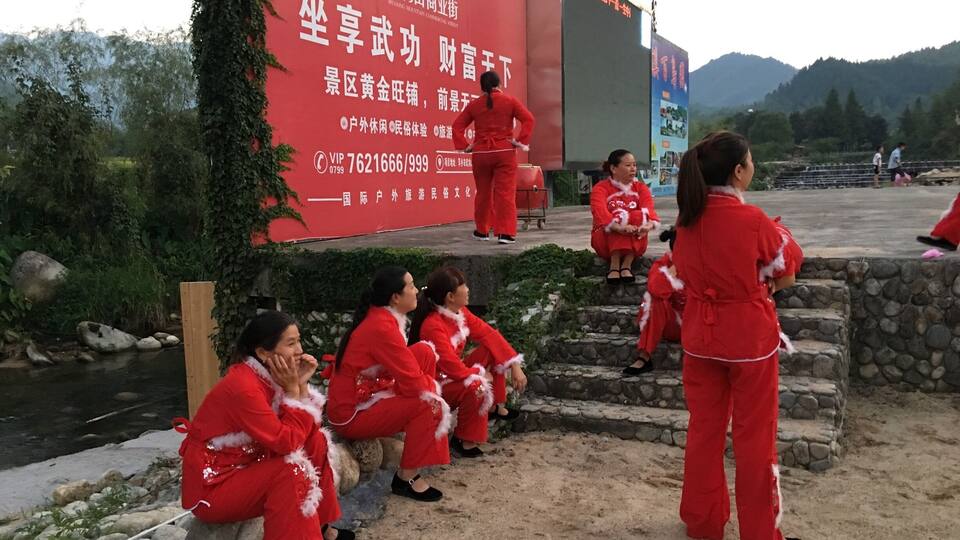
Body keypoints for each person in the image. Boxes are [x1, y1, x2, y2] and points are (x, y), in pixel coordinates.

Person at [673, 131, 801, 540]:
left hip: (699, 337)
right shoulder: (753, 220)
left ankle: (703, 522)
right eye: (751, 160)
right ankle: (760, 532)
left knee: (703, 433)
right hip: (748, 340)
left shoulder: (686, 220)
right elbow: (785, 272)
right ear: (738, 171)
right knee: (754, 441)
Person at [176, 311, 353, 540]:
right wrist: (293, 392)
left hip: (248, 464)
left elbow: (301, 433)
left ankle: (321, 527)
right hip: (213, 486)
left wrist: (300, 387)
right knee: (291, 472)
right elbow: (287, 443)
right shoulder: (243, 387)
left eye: (299, 341)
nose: (300, 350)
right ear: (262, 353)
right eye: (291, 343)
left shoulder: (269, 377)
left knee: (316, 440)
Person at [326, 266, 450, 502]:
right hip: (351, 414)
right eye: (411, 286)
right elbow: (415, 385)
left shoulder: (382, 317)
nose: (417, 290)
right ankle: (406, 478)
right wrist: (433, 392)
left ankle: (418, 433)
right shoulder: (381, 326)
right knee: (426, 403)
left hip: (369, 393)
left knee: (424, 352)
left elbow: (409, 372)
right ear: (395, 297)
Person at [408, 266, 528, 457]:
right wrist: (479, 374)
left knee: (491, 349)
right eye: (463, 285)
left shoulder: (460, 312)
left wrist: (514, 364)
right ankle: (464, 439)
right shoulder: (432, 325)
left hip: (454, 372)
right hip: (438, 383)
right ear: (450, 296)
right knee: (477, 386)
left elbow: (487, 333)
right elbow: (451, 367)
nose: (468, 289)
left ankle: (494, 406)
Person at [452, 70, 536, 245]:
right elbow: (529, 120)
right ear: (499, 84)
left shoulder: (475, 105)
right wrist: (520, 141)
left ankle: (482, 231)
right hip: (504, 152)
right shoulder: (509, 101)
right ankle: (505, 233)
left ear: (482, 87)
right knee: (504, 193)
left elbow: (457, 126)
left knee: (483, 193)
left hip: (481, 153)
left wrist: (464, 146)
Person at [590, 149, 660, 284]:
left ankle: (627, 264)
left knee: (638, 215)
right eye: (628, 165)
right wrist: (619, 227)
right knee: (618, 216)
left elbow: (650, 212)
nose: (633, 169)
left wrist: (647, 226)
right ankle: (614, 264)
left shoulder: (641, 188)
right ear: (613, 168)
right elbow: (600, 213)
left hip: (635, 243)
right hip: (605, 242)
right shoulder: (600, 188)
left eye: (634, 165)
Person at [623, 228, 684, 376]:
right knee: (653, 299)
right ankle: (644, 356)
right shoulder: (662, 264)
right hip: (671, 323)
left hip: (695, 324)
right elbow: (656, 290)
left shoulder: (704, 265)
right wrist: (674, 269)